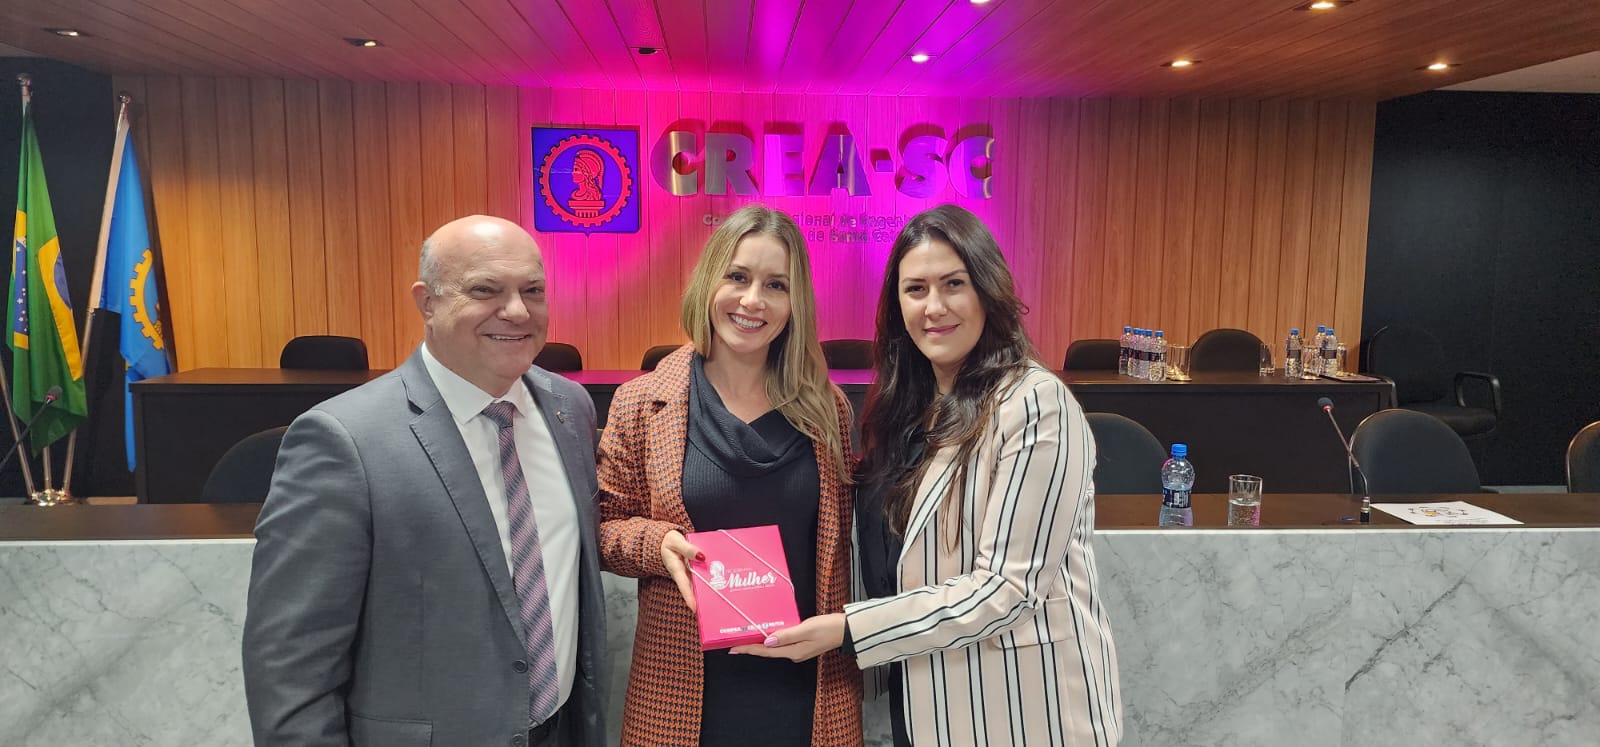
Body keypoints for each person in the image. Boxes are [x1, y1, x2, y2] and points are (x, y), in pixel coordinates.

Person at [736, 204, 1123, 746]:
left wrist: (848, 628)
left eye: (953, 284)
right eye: (915, 289)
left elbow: (1007, 589)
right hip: (924, 701)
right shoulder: (906, 411)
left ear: (987, 290)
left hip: (1022, 707)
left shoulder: (1035, 403)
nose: (934, 307)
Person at [242, 215, 606, 747]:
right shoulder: (343, 440)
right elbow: (290, 665)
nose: (517, 311)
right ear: (427, 302)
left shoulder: (570, 408)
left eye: (533, 291)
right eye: (485, 290)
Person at [597, 204, 862, 746]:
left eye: (775, 285)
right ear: (709, 283)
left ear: (795, 301)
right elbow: (604, 527)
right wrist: (658, 542)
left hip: (806, 682)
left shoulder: (826, 409)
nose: (752, 300)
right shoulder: (641, 402)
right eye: (737, 277)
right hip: (681, 689)